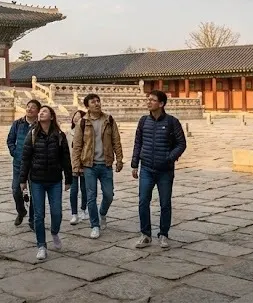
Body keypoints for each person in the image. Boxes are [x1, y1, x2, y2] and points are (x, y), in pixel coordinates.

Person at [132, 90, 187, 249]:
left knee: (165, 203)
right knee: (143, 201)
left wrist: (169, 158)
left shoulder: (172, 122)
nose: (148, 102)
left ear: (161, 104)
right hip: (146, 168)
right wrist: (134, 164)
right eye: (148, 99)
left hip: (165, 171)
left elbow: (181, 144)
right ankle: (145, 235)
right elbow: (138, 143)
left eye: (152, 100)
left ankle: (163, 234)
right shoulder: (143, 121)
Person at [20, 105, 72, 260]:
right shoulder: (32, 134)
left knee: (57, 212)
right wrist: (22, 180)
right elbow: (25, 158)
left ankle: (54, 232)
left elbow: (65, 158)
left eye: (45, 111)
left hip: (55, 180)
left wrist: (68, 178)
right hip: (36, 180)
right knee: (38, 214)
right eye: (40, 111)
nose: (41, 113)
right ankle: (41, 245)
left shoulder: (59, 135)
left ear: (52, 116)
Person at [70, 93, 123, 239]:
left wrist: (119, 159)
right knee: (91, 196)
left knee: (109, 195)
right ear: (87, 106)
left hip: (106, 164)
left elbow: (116, 141)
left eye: (98, 101)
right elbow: (77, 146)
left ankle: (102, 213)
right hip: (89, 165)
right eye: (93, 102)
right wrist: (76, 166)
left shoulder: (109, 120)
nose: (97, 104)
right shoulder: (82, 122)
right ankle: (94, 225)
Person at [7, 99, 40, 228]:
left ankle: (32, 219)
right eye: (28, 106)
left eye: (33, 107)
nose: (29, 109)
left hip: (34, 164)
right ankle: (21, 211)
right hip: (19, 163)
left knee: (35, 192)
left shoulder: (39, 125)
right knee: (16, 190)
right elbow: (10, 140)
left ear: (38, 111)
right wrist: (15, 152)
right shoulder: (18, 123)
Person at [67, 109, 88, 225]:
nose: (76, 118)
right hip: (72, 165)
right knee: (73, 190)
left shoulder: (87, 133)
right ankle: (74, 214)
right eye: (75, 115)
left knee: (84, 189)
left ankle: (83, 209)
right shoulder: (68, 133)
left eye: (79, 116)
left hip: (84, 164)